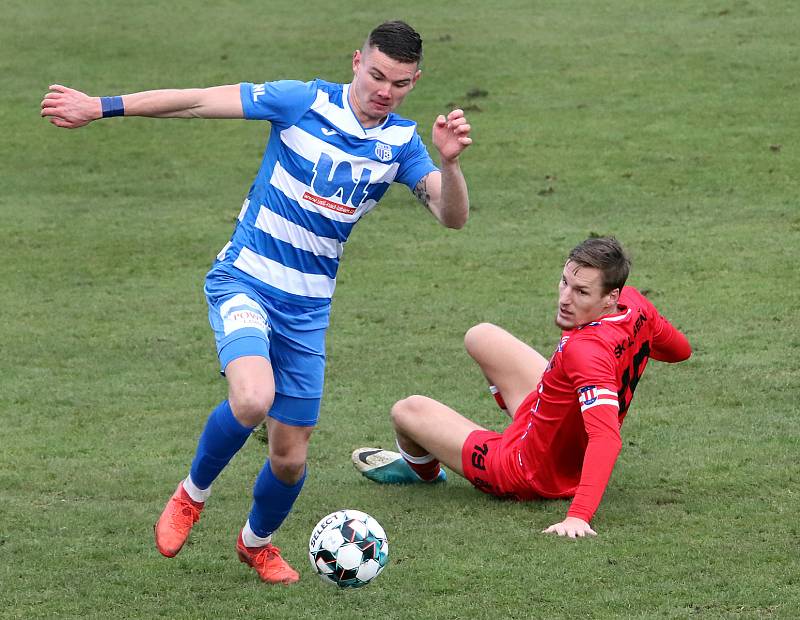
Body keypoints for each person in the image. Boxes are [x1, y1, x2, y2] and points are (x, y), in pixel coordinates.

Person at [41, 20, 472, 583]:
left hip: (308, 310)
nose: (383, 91)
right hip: (245, 281)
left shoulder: (401, 144)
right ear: (355, 62)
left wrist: (451, 164)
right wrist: (102, 106)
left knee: (290, 458)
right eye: (375, 75)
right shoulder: (301, 101)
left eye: (400, 82)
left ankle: (256, 543)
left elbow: (452, 216)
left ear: (415, 81)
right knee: (251, 397)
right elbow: (198, 102)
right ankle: (191, 495)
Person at [353, 237, 691, 538]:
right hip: (559, 429)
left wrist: (578, 517)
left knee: (406, 410)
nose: (565, 299)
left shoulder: (587, 351)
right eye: (565, 282)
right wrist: (632, 343)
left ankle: (423, 474)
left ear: (609, 297)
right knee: (481, 336)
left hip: (526, 470)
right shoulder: (634, 305)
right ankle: (522, 427)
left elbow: (606, 438)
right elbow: (680, 351)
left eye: (581, 292)